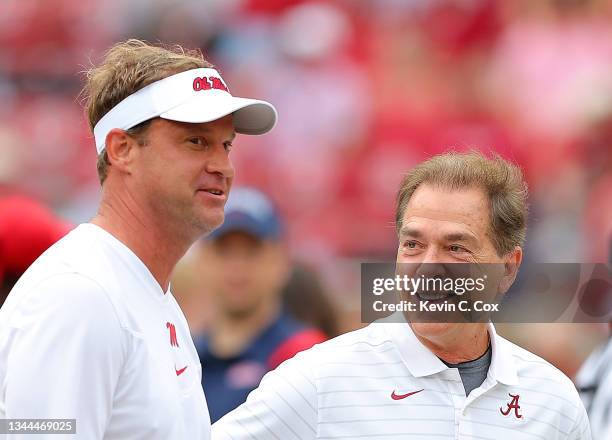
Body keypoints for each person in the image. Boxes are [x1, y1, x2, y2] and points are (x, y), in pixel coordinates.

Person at [0, 39, 277, 439]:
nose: (222, 166)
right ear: (122, 149)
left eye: (226, 145)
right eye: (195, 141)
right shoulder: (80, 294)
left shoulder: (141, 291)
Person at [212, 152, 591, 439]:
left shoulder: (553, 399)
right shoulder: (320, 378)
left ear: (507, 268)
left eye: (456, 248)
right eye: (413, 244)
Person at [193, 187, 327, 423]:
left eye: (251, 252)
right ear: (204, 260)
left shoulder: (305, 357)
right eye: (224, 252)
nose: (237, 267)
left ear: (281, 261)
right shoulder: (183, 358)